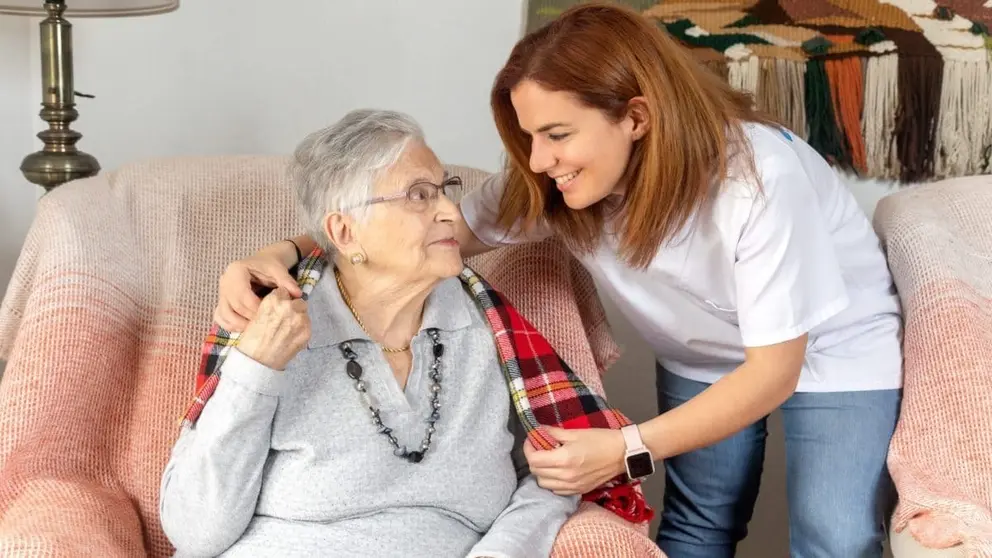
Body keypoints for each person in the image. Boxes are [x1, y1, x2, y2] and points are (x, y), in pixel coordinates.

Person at [211, 4, 903, 557]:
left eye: (557, 134)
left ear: (636, 117)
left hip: (830, 351)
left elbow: (774, 372)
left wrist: (627, 446)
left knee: (837, 537)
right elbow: (429, 232)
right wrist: (281, 249)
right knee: (698, 530)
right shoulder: (555, 181)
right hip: (701, 352)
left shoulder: (759, 181)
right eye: (528, 135)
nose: (538, 160)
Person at [159, 109, 580, 557]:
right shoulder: (274, 326)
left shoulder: (490, 332)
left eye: (444, 190)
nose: (449, 212)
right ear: (345, 231)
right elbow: (194, 533)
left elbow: (560, 470)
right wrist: (255, 370)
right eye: (419, 195)